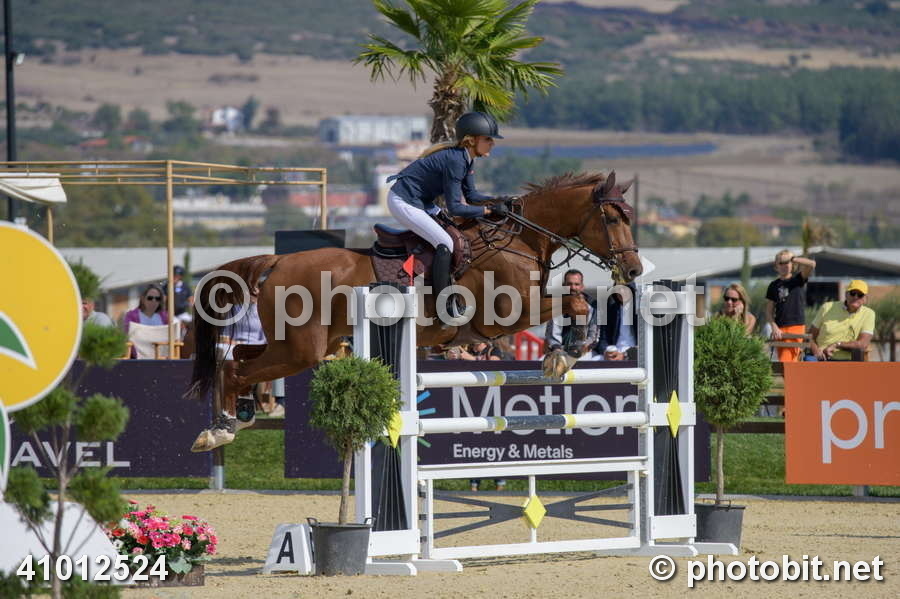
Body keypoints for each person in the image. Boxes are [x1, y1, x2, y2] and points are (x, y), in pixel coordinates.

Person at [387, 111, 511, 317]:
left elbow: (471, 196)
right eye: (488, 139)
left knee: (456, 234)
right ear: (471, 140)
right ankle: (444, 304)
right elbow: (455, 208)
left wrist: (499, 201)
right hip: (404, 201)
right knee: (445, 243)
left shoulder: (466, 158)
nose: (492, 143)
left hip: (422, 202)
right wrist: (488, 210)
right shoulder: (456, 161)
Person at [765, 250, 816, 361]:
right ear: (776, 266)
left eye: (787, 262)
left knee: (786, 361)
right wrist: (774, 327)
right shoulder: (773, 285)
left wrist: (793, 258)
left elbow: (812, 264)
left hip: (796, 326)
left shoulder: (798, 279)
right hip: (780, 329)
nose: (784, 265)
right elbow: (768, 311)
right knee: (787, 362)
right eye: (781, 263)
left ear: (792, 264)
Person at [807, 280, 875, 361]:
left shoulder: (869, 314)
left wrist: (837, 345)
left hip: (849, 361)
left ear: (865, 299)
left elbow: (863, 344)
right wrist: (816, 351)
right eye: (853, 293)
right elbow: (809, 337)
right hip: (822, 359)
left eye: (860, 295)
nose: (855, 297)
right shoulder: (827, 308)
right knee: (808, 361)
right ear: (846, 294)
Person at [544, 269, 597, 359]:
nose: (573, 287)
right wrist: (557, 349)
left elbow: (593, 335)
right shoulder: (557, 304)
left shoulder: (593, 305)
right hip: (559, 350)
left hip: (584, 352)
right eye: (569, 284)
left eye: (576, 284)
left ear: (582, 287)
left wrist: (580, 348)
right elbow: (552, 334)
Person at [593, 279, 637, 360]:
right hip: (615, 352)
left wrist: (625, 355)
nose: (621, 292)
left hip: (634, 355)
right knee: (594, 360)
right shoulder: (611, 310)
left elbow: (647, 343)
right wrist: (605, 352)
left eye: (624, 288)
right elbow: (603, 339)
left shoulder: (640, 311)